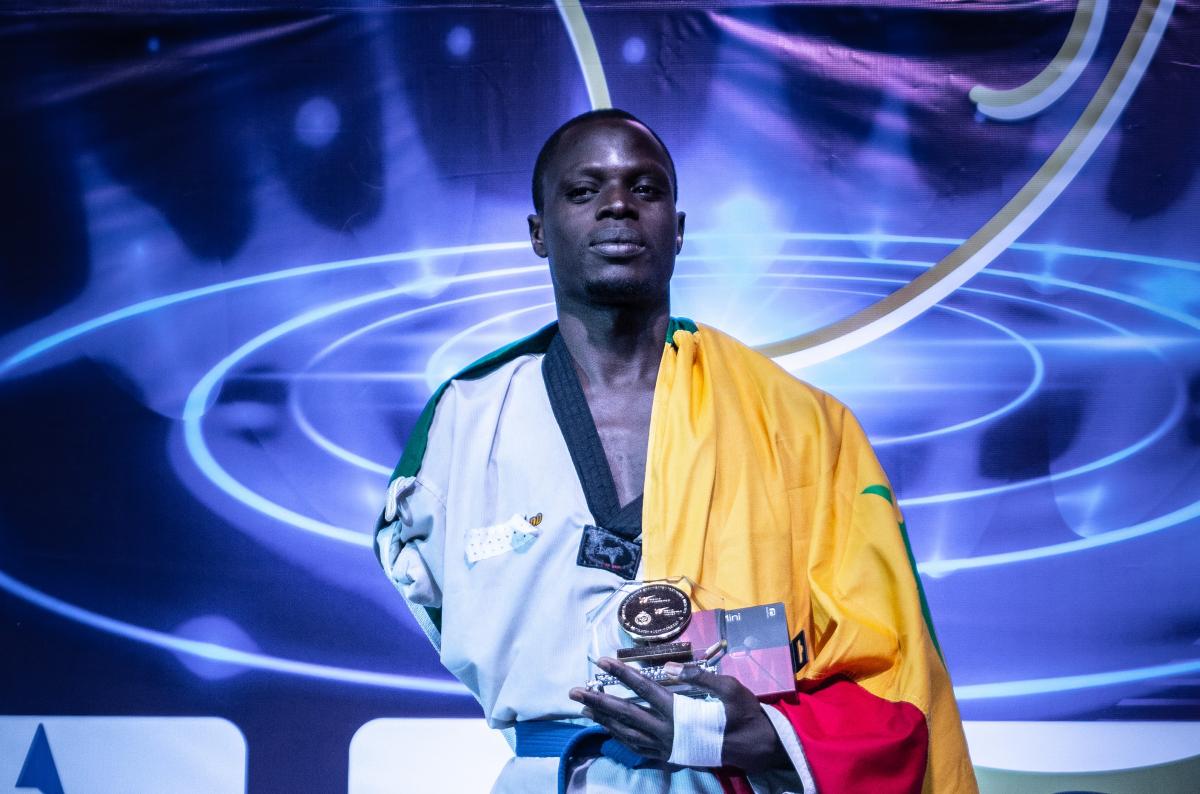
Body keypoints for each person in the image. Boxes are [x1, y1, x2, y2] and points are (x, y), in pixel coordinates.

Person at [375, 108, 977, 793]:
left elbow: (890, 674)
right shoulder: (461, 426)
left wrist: (759, 735)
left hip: (731, 780)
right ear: (539, 233)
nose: (618, 206)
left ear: (679, 228)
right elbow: (438, 596)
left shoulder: (805, 425)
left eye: (646, 188)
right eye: (584, 191)